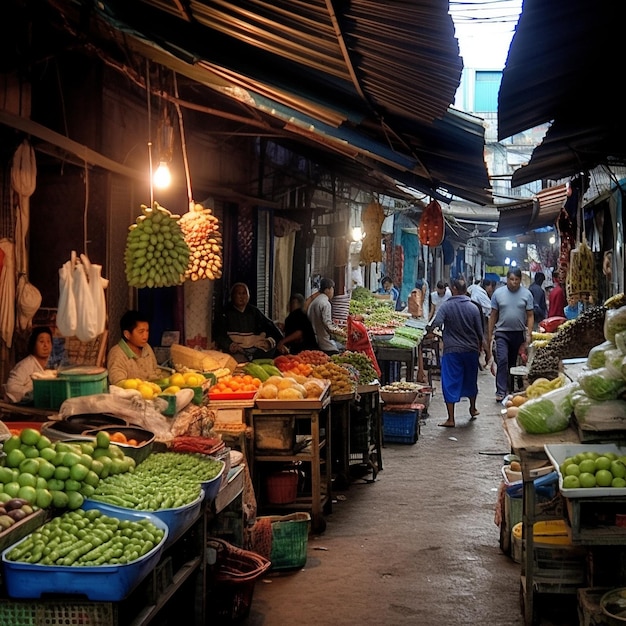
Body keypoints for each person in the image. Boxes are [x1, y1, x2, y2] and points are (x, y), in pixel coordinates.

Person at [426, 279, 483, 428]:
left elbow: (437, 322)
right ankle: (473, 408)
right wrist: (483, 351)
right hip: (471, 351)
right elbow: (479, 332)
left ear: (454, 289)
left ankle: (451, 419)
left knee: (450, 382)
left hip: (452, 351)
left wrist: (428, 330)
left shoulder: (446, 306)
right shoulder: (473, 308)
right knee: (471, 380)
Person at [485, 268, 534, 402]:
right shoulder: (498, 294)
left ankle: (510, 389)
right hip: (502, 333)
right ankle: (501, 391)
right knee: (502, 360)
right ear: (507, 279)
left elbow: (530, 315)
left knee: (513, 363)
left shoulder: (527, 294)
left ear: (520, 280)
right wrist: (490, 334)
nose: (514, 282)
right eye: (511, 279)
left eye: (516, 280)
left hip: (518, 334)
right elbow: (493, 314)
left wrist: (529, 334)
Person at [214, 283, 284, 363]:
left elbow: (269, 325)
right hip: (237, 349)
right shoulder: (225, 312)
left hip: (254, 348)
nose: (242, 297)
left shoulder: (254, 311)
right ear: (232, 296)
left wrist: (281, 341)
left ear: (248, 296)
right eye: (239, 293)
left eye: (244, 293)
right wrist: (230, 345)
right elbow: (219, 334)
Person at [107, 311, 166, 385]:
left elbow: (155, 370)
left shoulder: (146, 347)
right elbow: (119, 383)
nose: (145, 336)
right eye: (141, 332)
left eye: (147, 331)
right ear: (127, 334)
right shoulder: (116, 354)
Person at [4, 326, 54, 404]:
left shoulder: (53, 363)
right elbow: (11, 387)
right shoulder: (24, 366)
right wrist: (32, 393)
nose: (46, 346)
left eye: (48, 341)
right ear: (33, 344)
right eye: (41, 342)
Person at [307, 277, 342, 355]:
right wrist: (340, 332)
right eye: (332, 289)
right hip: (322, 341)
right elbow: (327, 324)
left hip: (313, 337)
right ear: (327, 290)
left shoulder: (316, 300)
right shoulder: (325, 303)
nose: (333, 292)